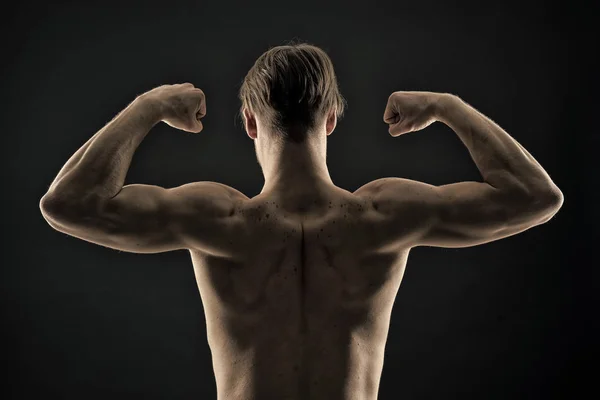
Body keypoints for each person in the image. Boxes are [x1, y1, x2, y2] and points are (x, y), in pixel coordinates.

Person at [39, 42, 563, 399]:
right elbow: (534, 196)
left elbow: (68, 204)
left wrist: (149, 105)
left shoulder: (220, 220)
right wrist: (447, 106)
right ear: (332, 119)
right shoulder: (382, 216)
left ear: (248, 122)